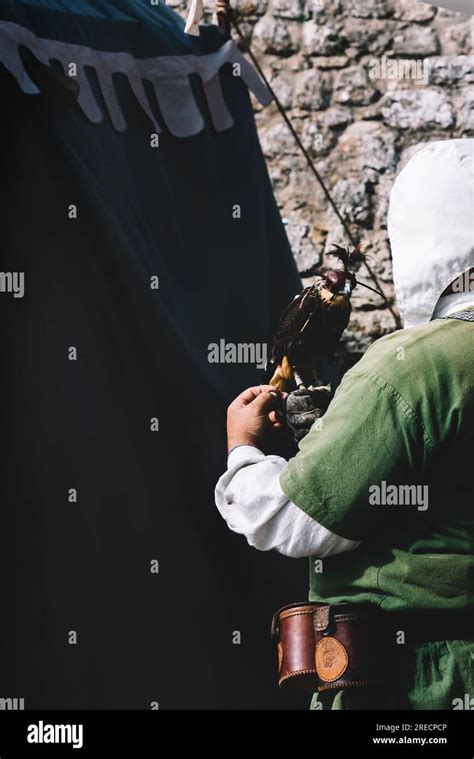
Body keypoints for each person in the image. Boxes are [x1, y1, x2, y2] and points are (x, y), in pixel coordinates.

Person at [215, 139, 474, 709]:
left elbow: (290, 518)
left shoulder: (414, 367)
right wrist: (334, 431)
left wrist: (244, 453)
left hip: (417, 686)